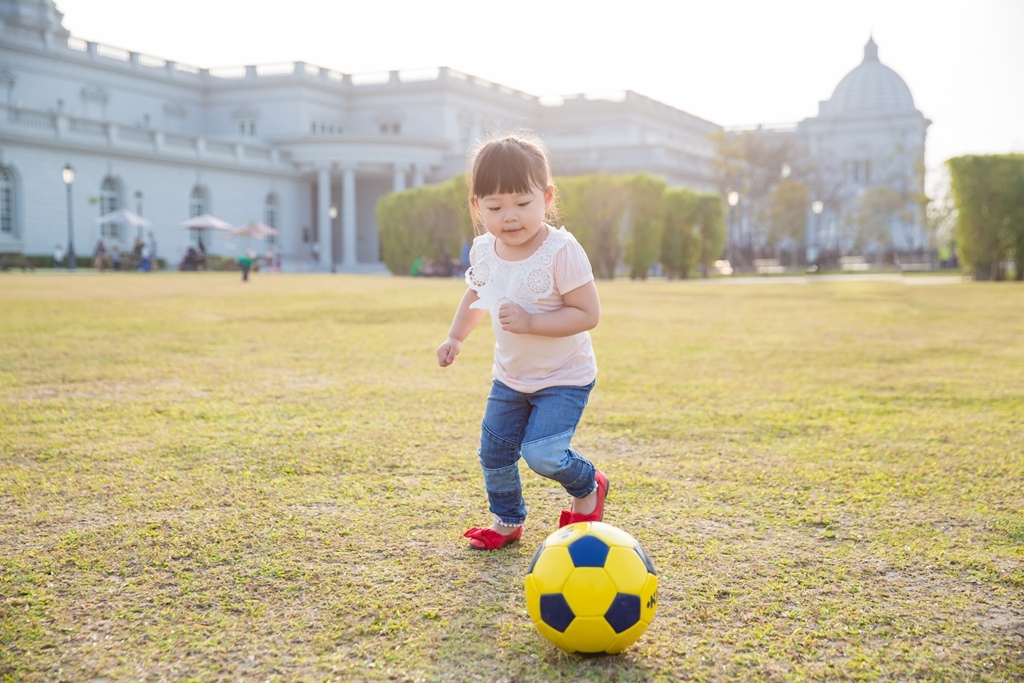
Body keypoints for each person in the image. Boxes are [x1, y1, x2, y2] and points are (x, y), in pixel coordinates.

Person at [435, 131, 607, 551]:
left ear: (547, 198)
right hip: (510, 377)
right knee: (494, 454)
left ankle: (589, 485)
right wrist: (456, 336)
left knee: (544, 455)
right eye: (495, 207)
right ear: (477, 207)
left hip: (563, 376)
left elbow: (588, 314)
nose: (510, 216)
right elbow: (477, 295)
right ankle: (508, 521)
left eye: (522, 203)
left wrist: (530, 320)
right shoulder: (484, 251)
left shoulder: (561, 250)